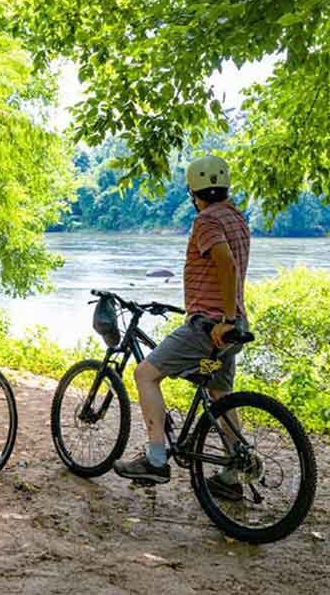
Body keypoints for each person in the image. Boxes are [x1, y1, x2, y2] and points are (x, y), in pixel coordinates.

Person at [114, 154, 251, 500]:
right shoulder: (237, 218)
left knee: (145, 375)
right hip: (230, 327)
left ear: (194, 190)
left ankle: (156, 459)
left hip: (210, 326)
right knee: (220, 395)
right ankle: (233, 471)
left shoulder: (206, 221)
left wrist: (225, 319)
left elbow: (226, 264)